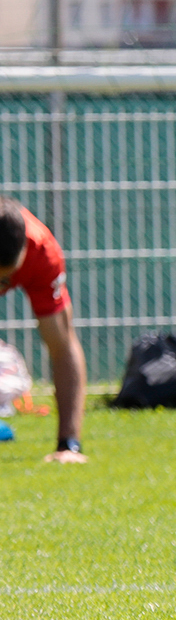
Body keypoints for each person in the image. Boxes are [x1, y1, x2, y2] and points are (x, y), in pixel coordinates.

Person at [0, 196, 87, 463]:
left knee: (60, 333)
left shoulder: (42, 252)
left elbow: (62, 346)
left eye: (4, 279)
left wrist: (68, 445)